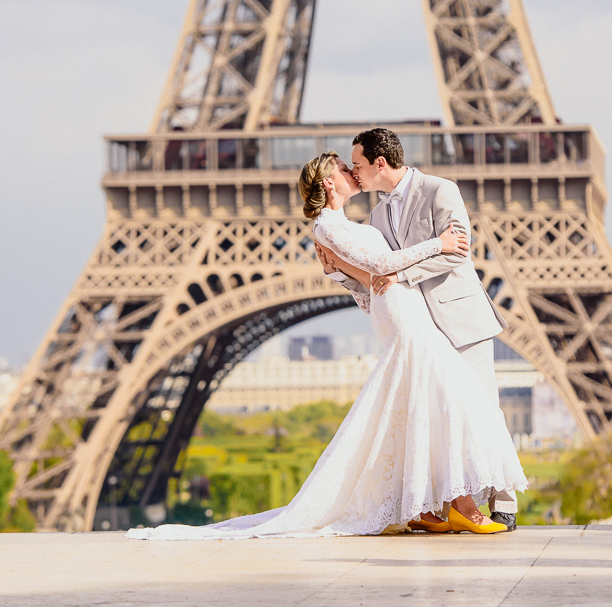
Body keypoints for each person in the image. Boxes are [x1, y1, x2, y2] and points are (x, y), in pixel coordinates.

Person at [127, 151, 526, 541]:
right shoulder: (326, 227)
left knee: (425, 401)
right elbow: (381, 272)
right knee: (435, 395)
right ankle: (457, 505)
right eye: (343, 167)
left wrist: (354, 272)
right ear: (327, 181)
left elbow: (375, 277)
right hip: (401, 313)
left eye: (356, 164)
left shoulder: (357, 220)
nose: (352, 170)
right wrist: (438, 244)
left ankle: (423, 507)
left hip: (404, 304)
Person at [317, 128, 521, 530]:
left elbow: (457, 251)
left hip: (458, 318)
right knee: (433, 415)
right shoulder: (374, 215)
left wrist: (398, 273)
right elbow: (374, 278)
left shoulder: (440, 189)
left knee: (480, 407)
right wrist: (341, 272)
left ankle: (503, 504)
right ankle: (441, 501)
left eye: (357, 165)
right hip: (415, 321)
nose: (354, 173)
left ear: (379, 163)